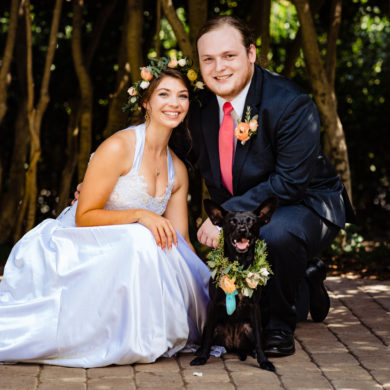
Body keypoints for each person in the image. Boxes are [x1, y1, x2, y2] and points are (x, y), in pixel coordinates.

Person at [0, 65, 210, 367]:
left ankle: (153, 326)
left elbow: (181, 242)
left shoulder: (177, 169)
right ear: (145, 103)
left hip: (132, 253)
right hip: (80, 245)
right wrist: (141, 215)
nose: (174, 104)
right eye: (164, 94)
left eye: (182, 96)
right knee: (141, 237)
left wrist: (212, 283)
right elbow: (84, 215)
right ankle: (116, 335)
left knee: (155, 244)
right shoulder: (118, 147)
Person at [188, 16, 355, 356]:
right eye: (208, 59)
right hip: (254, 207)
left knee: (274, 234)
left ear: (251, 54)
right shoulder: (200, 106)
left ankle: (279, 324)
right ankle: (304, 280)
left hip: (307, 203)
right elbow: (166, 153)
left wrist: (227, 213)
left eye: (229, 56)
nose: (219, 67)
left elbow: (290, 182)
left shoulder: (290, 102)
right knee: (250, 238)